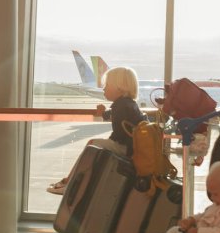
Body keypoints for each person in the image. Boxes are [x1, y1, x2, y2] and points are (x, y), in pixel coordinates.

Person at [47, 65, 146, 194]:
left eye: (107, 85)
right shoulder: (127, 104)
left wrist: (103, 115)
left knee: (92, 144)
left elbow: (118, 136)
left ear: (120, 88)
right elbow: (118, 118)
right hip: (132, 147)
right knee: (95, 144)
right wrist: (104, 114)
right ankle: (69, 181)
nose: (103, 89)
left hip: (124, 147)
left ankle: (70, 183)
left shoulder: (121, 106)